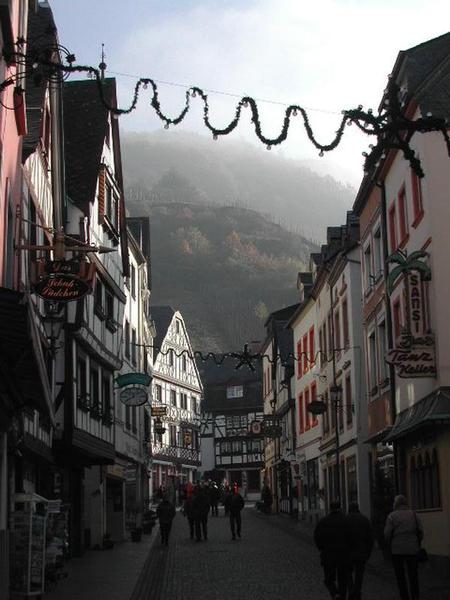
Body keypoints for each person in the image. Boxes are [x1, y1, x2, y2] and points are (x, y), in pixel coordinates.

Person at [384, 495, 423, 600]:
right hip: (412, 548)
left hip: (397, 550)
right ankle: (415, 596)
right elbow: (420, 530)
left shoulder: (392, 516)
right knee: (413, 575)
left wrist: (389, 545)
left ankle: (404, 596)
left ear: (396, 504)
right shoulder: (414, 514)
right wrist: (417, 542)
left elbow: (387, 534)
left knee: (400, 576)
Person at [314, 500, 351, 600]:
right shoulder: (346, 521)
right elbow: (351, 536)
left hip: (328, 554)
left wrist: (322, 548)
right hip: (343, 554)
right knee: (342, 578)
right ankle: (342, 596)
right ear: (340, 508)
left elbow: (317, 537)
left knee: (328, 579)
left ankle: (335, 593)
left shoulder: (324, 521)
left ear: (330, 509)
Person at [346, 501, 374, 600]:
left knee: (347, 572)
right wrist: (368, 553)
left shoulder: (345, 520)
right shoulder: (365, 520)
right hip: (361, 552)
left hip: (348, 552)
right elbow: (370, 538)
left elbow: (341, 537)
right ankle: (357, 590)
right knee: (359, 573)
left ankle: (351, 588)